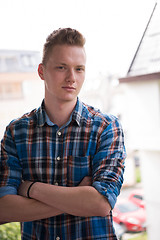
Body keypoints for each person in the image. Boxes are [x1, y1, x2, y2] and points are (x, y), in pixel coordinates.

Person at [0, 28, 126, 239]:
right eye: (61, 67)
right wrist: (78, 199)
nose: (71, 77)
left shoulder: (106, 127)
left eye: (79, 69)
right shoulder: (17, 132)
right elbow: (4, 209)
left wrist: (31, 189)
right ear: (41, 71)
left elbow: (101, 204)